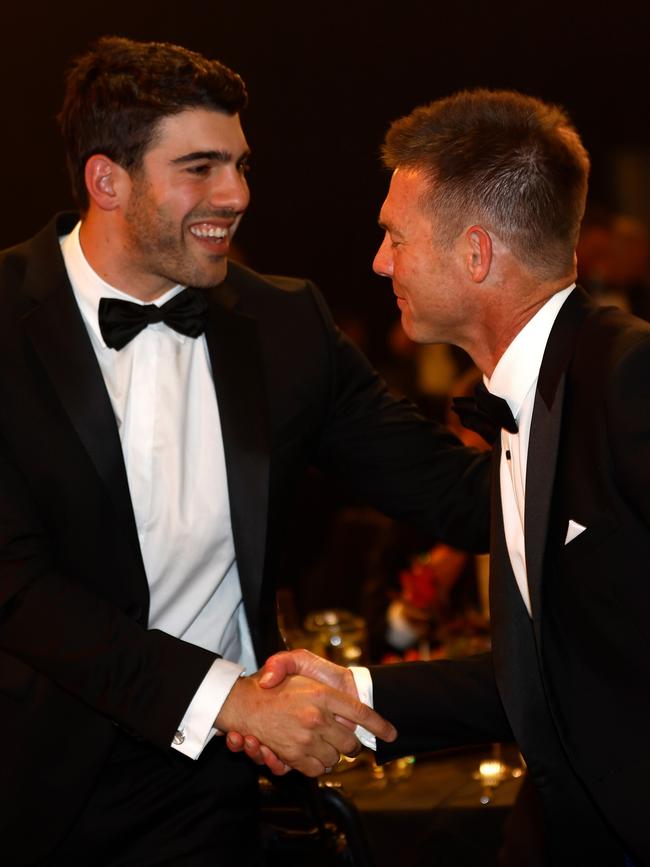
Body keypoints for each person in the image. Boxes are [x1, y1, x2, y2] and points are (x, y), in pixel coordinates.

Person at [0, 38, 491, 866]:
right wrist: (225, 697)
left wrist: (574, 403)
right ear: (106, 180)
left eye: (240, 163)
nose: (236, 194)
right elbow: (18, 588)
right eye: (199, 167)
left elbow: (449, 490)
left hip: (219, 792)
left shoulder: (283, 323)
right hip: (33, 781)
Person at [239, 90, 650, 866]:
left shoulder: (629, 377)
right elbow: (550, 675)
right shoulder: (531, 405)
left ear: (475, 254)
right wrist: (352, 692)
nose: (379, 260)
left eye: (394, 235)